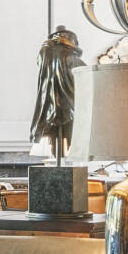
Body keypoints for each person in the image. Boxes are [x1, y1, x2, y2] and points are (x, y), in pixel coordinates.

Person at [30, 26, 84, 160]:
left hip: (47, 106)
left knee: (56, 142)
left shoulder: (45, 52)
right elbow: (86, 78)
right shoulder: (71, 56)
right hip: (68, 105)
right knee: (69, 142)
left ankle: (60, 159)